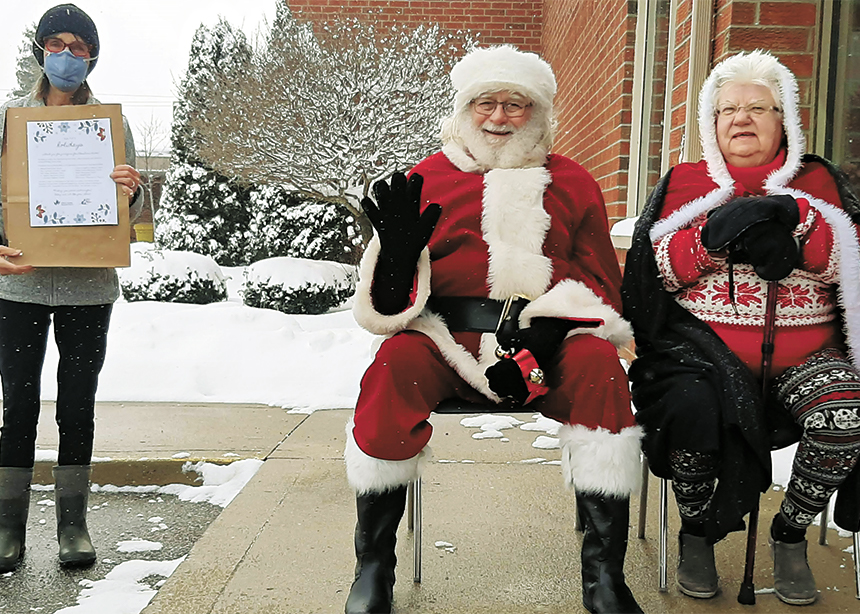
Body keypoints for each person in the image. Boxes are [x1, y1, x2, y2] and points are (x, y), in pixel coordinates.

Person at [344, 45, 644, 614]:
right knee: (389, 371)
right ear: (464, 109)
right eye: (487, 103)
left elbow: (602, 283)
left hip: (545, 341)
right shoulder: (424, 178)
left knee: (602, 372)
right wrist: (395, 262)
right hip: (443, 339)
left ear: (539, 114)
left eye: (516, 105)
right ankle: (373, 565)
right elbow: (386, 304)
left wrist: (548, 332)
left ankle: (604, 573)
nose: (500, 117)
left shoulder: (574, 182)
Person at [622, 50, 860, 606]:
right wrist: (708, 240)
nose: (742, 119)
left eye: (759, 107)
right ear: (711, 120)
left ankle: (790, 533)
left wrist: (800, 231)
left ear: (786, 120)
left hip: (806, 356)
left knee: (845, 413)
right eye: (728, 108)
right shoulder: (685, 183)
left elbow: (850, 266)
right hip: (699, 356)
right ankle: (697, 532)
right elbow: (653, 278)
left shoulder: (819, 181)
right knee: (689, 407)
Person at [0, 4, 143, 572]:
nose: (67, 54)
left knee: (77, 405)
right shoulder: (11, 123)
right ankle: (8, 525)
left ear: (92, 56)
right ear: (41, 51)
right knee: (18, 406)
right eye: (56, 43)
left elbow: (129, 218)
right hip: (20, 289)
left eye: (79, 45)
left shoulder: (111, 126)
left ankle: (72, 524)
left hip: (89, 287)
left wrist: (132, 193)